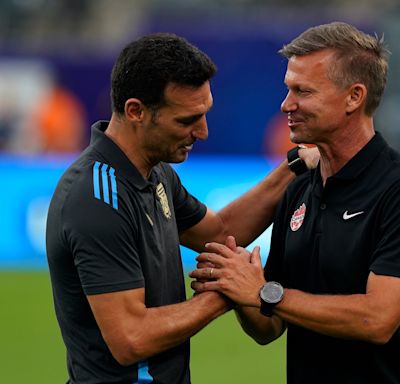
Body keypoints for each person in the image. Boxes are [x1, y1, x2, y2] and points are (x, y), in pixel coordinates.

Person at [45, 32, 318, 384]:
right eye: (187, 120)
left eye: (204, 114)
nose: (202, 132)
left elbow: (220, 233)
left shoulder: (155, 172)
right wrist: (225, 293)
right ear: (135, 112)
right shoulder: (96, 199)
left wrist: (294, 166)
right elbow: (131, 339)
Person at [191, 21, 400, 383]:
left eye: (303, 91)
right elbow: (269, 325)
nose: (286, 105)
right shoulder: (298, 189)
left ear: (354, 97)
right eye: (288, 89)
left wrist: (263, 292)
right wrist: (237, 286)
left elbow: (376, 320)